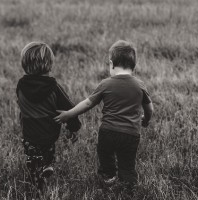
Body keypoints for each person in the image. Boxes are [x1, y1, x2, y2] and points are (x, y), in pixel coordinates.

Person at [54, 40, 153, 190]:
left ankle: (108, 177)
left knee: (105, 156)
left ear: (111, 63)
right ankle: (128, 184)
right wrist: (146, 119)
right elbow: (149, 107)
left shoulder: (106, 84)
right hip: (131, 134)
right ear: (134, 65)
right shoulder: (140, 85)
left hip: (108, 132)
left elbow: (87, 103)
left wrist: (68, 114)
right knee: (127, 163)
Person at [16, 42, 81, 191]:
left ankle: (36, 176)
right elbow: (68, 107)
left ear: (24, 64)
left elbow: (20, 103)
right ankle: (45, 166)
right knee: (47, 153)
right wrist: (73, 127)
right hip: (48, 131)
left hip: (29, 132)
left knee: (32, 155)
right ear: (49, 65)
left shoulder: (21, 85)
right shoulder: (53, 87)